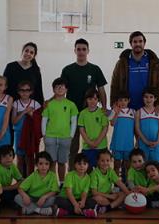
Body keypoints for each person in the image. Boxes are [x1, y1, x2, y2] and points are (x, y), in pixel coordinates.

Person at [61, 38, 108, 171]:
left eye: (83, 49)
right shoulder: (67, 70)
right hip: (73, 116)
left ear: (88, 51)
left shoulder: (95, 69)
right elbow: (61, 91)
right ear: (75, 51)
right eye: (78, 49)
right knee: (73, 148)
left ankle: (96, 177)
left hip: (91, 116)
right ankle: (72, 176)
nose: (81, 52)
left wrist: (104, 107)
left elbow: (102, 90)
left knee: (94, 147)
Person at [111, 31, 159, 111]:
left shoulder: (153, 62)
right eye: (135, 42)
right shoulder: (121, 63)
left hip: (147, 108)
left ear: (144, 43)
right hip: (126, 107)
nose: (138, 44)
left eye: (140, 41)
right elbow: (114, 84)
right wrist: (113, 103)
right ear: (131, 44)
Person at [42, 77, 78, 185]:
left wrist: (71, 136)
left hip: (65, 137)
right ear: (53, 90)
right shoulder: (49, 104)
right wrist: (44, 135)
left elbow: (74, 121)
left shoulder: (71, 104)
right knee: (51, 161)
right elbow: (44, 120)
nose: (60, 88)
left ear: (66, 89)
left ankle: (62, 183)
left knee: (62, 162)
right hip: (50, 137)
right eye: (57, 86)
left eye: (62, 86)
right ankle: (52, 183)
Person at [14, 151, 59, 216]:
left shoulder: (53, 176)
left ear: (49, 165)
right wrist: (24, 196)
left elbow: (54, 191)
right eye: (41, 164)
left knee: (52, 199)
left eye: (46, 164)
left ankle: (29, 209)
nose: (44, 167)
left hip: (44, 199)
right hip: (31, 198)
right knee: (17, 197)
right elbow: (20, 188)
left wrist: (44, 197)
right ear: (36, 165)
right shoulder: (33, 175)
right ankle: (39, 210)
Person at [11, 81, 41, 175]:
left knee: (30, 159)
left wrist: (32, 114)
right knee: (19, 159)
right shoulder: (16, 104)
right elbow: (14, 121)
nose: (24, 92)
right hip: (19, 134)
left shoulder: (36, 104)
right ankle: (20, 182)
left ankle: (29, 181)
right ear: (18, 92)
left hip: (30, 135)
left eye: (27, 90)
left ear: (31, 92)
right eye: (22, 90)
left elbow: (38, 121)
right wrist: (24, 112)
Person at [55, 153, 98, 218]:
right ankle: (84, 212)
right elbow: (69, 193)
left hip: (79, 200)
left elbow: (84, 192)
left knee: (92, 201)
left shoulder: (88, 178)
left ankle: (67, 212)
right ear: (75, 165)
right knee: (59, 200)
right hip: (68, 198)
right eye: (79, 164)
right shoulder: (70, 175)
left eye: (84, 164)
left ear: (88, 165)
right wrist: (75, 205)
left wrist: (83, 201)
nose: (82, 166)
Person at [90, 149, 130, 214]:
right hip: (101, 197)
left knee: (123, 194)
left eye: (107, 160)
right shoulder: (94, 174)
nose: (105, 163)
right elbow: (94, 192)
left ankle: (108, 207)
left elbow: (120, 183)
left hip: (109, 195)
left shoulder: (110, 171)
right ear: (98, 162)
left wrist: (129, 194)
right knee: (97, 198)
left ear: (111, 160)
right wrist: (109, 196)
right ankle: (114, 205)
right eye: (102, 161)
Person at [78, 88, 109, 170]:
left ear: (98, 100)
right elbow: (81, 130)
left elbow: (105, 128)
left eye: (95, 99)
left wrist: (97, 142)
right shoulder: (82, 113)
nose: (92, 101)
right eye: (90, 99)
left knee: (102, 169)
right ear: (86, 99)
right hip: (87, 147)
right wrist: (90, 143)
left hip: (101, 146)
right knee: (88, 169)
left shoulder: (102, 112)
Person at [109, 91, 135, 177]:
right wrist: (116, 112)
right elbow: (112, 123)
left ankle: (127, 183)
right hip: (117, 144)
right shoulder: (115, 111)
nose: (123, 102)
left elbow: (136, 128)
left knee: (128, 166)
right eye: (120, 100)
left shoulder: (133, 112)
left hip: (128, 144)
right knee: (116, 165)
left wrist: (137, 140)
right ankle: (116, 185)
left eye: (125, 100)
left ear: (129, 101)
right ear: (117, 101)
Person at [135, 88, 159, 162]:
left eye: (151, 97)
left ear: (155, 98)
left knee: (156, 164)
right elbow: (137, 128)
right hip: (143, 143)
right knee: (143, 164)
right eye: (146, 97)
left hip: (155, 143)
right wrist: (145, 141)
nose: (148, 99)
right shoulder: (139, 112)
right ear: (143, 98)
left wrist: (157, 141)